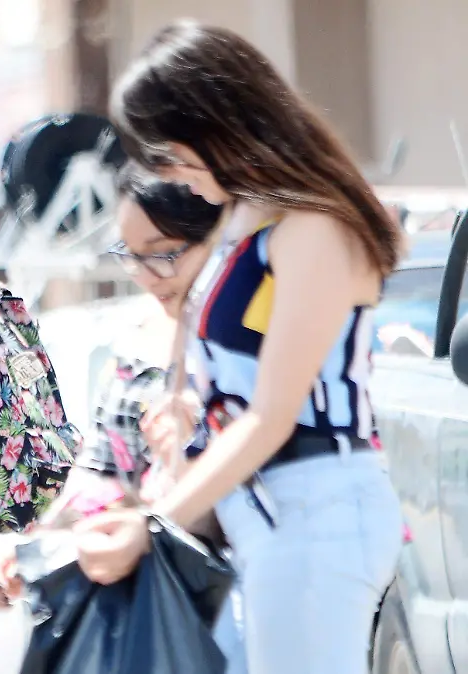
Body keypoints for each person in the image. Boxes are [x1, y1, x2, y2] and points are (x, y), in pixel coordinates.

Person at [71, 20, 405, 673]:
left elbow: (272, 414)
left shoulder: (314, 225)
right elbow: (227, 375)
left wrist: (154, 522)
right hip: (271, 516)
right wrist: (185, 410)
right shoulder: (251, 212)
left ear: (216, 125)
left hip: (315, 512)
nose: (166, 175)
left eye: (167, 153)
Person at [0, 164, 222, 605]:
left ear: (218, 238)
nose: (146, 274)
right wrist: (31, 543)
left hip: (219, 594)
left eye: (164, 252)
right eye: (130, 254)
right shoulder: (133, 341)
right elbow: (99, 470)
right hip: (139, 595)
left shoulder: (240, 353)